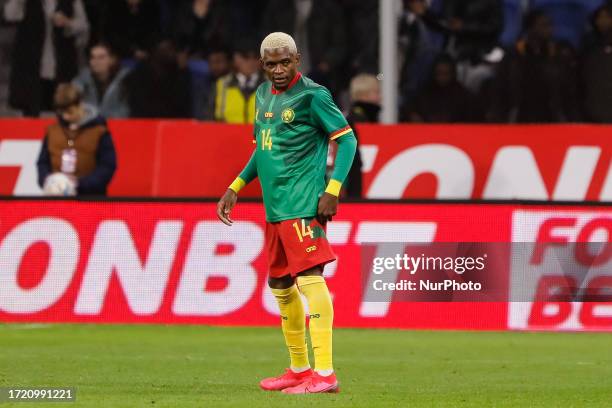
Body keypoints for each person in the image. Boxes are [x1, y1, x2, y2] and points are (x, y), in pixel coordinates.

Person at [216, 32, 356, 394]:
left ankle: (324, 374)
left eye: (285, 62)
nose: (279, 70)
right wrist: (235, 185)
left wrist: (332, 190)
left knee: (310, 279)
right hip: (275, 209)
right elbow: (263, 150)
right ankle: (298, 368)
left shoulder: (313, 96)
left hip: (303, 205)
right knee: (280, 284)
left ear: (297, 60)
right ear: (263, 65)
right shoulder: (263, 95)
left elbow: (347, 139)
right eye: (272, 63)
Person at [490, 10, 579, 123]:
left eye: (550, 24)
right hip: (520, 119)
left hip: (551, 119)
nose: (549, 29)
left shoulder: (557, 56)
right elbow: (500, 89)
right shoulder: (513, 56)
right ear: (530, 28)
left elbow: (568, 92)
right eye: (543, 25)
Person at [3, 0, 89, 116]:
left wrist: (68, 23)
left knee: (63, 110)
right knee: (31, 111)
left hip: (62, 65)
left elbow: (83, 25)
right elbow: (10, 15)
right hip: (30, 66)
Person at [36, 83, 117, 195]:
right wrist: (46, 179)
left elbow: (107, 166)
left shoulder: (99, 132)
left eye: (70, 112)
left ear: (80, 105)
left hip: (90, 199)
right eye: (62, 113)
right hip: (56, 197)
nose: (66, 117)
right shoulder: (52, 131)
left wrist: (80, 184)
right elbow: (43, 162)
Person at [124, 39, 192, 118]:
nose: (171, 54)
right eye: (165, 50)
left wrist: (183, 72)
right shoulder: (141, 74)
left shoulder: (177, 73)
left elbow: (182, 106)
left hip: (171, 122)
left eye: (172, 50)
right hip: (144, 122)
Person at [407, 54, 481, 122]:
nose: (442, 78)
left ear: (452, 74)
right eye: (439, 73)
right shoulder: (425, 92)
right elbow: (413, 109)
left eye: (446, 74)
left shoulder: (464, 96)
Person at [207, 41, 265, 123]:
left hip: (261, 135)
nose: (251, 62)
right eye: (246, 57)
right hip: (227, 135)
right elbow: (208, 120)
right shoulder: (221, 85)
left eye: (255, 57)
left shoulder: (272, 85)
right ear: (236, 58)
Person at [72, 42, 131, 118]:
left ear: (112, 59)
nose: (95, 61)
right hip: (91, 123)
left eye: (101, 57)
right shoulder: (84, 75)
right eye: (92, 57)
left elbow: (128, 109)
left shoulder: (127, 78)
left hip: (119, 124)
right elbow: (71, 95)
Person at [579, 4, 612, 123]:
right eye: (600, 17)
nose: (603, 21)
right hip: (594, 104)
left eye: (607, 17)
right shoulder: (589, 44)